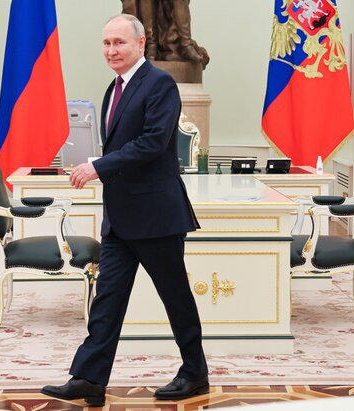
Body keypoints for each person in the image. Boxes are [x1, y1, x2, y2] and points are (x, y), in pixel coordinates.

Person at [40, 14, 209, 407]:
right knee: (107, 300)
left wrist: (97, 166)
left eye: (119, 42)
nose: (111, 50)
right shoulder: (112, 89)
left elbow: (153, 142)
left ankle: (195, 373)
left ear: (140, 43)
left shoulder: (160, 84)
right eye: (106, 43)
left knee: (176, 298)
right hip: (119, 219)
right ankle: (88, 379)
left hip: (156, 217)